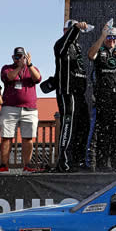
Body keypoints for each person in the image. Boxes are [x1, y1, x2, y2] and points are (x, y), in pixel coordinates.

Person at [42, 20, 92, 172]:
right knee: (68, 126)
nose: (74, 32)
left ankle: (79, 161)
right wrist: (76, 27)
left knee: (83, 126)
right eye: (70, 29)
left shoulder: (78, 47)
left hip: (79, 94)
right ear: (65, 30)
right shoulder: (59, 45)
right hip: (67, 93)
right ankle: (64, 162)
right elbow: (68, 40)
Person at [87, 21, 116, 171]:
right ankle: (101, 165)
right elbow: (90, 55)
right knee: (103, 133)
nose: (111, 40)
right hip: (103, 98)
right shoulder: (100, 50)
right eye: (109, 37)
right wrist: (102, 35)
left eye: (114, 37)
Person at [0, 47, 42, 173]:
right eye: (17, 57)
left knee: (28, 138)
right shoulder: (7, 68)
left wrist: (29, 65)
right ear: (13, 57)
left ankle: (27, 166)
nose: (19, 59)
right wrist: (20, 67)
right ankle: (4, 166)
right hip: (10, 108)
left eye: (22, 56)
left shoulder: (32, 68)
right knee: (7, 137)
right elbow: (9, 77)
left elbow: (37, 79)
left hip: (29, 109)